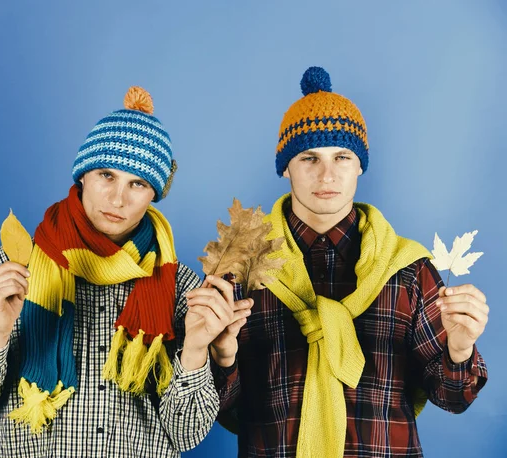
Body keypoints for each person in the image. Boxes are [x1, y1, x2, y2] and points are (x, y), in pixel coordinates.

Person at [0, 86, 244, 458]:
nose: (117, 199)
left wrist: (194, 350)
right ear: (83, 175)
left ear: (153, 194)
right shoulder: (13, 266)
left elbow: (187, 436)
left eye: (138, 184)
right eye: (106, 175)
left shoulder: (181, 289)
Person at [209, 67, 489, 458]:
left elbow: (453, 399)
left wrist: (459, 350)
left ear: (360, 165)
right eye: (309, 158)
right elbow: (213, 410)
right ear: (286, 167)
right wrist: (222, 357)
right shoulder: (238, 265)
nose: (327, 174)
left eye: (342, 156)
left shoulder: (407, 269)